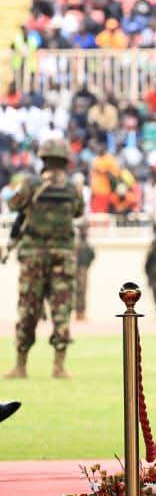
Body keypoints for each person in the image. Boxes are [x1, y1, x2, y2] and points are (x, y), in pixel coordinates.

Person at [4, 138, 82, 379]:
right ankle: (59, 366)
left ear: (44, 159)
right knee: (61, 309)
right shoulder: (73, 188)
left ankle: (21, 365)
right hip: (63, 256)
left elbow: (13, 204)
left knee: (28, 308)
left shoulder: (31, 183)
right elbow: (78, 211)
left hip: (33, 256)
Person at [74, 222, 94, 321]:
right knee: (79, 291)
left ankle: (81, 312)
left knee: (82, 291)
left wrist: (87, 265)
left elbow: (92, 255)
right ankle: (79, 313)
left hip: (83, 269)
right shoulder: (77, 243)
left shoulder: (85, 243)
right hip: (78, 269)